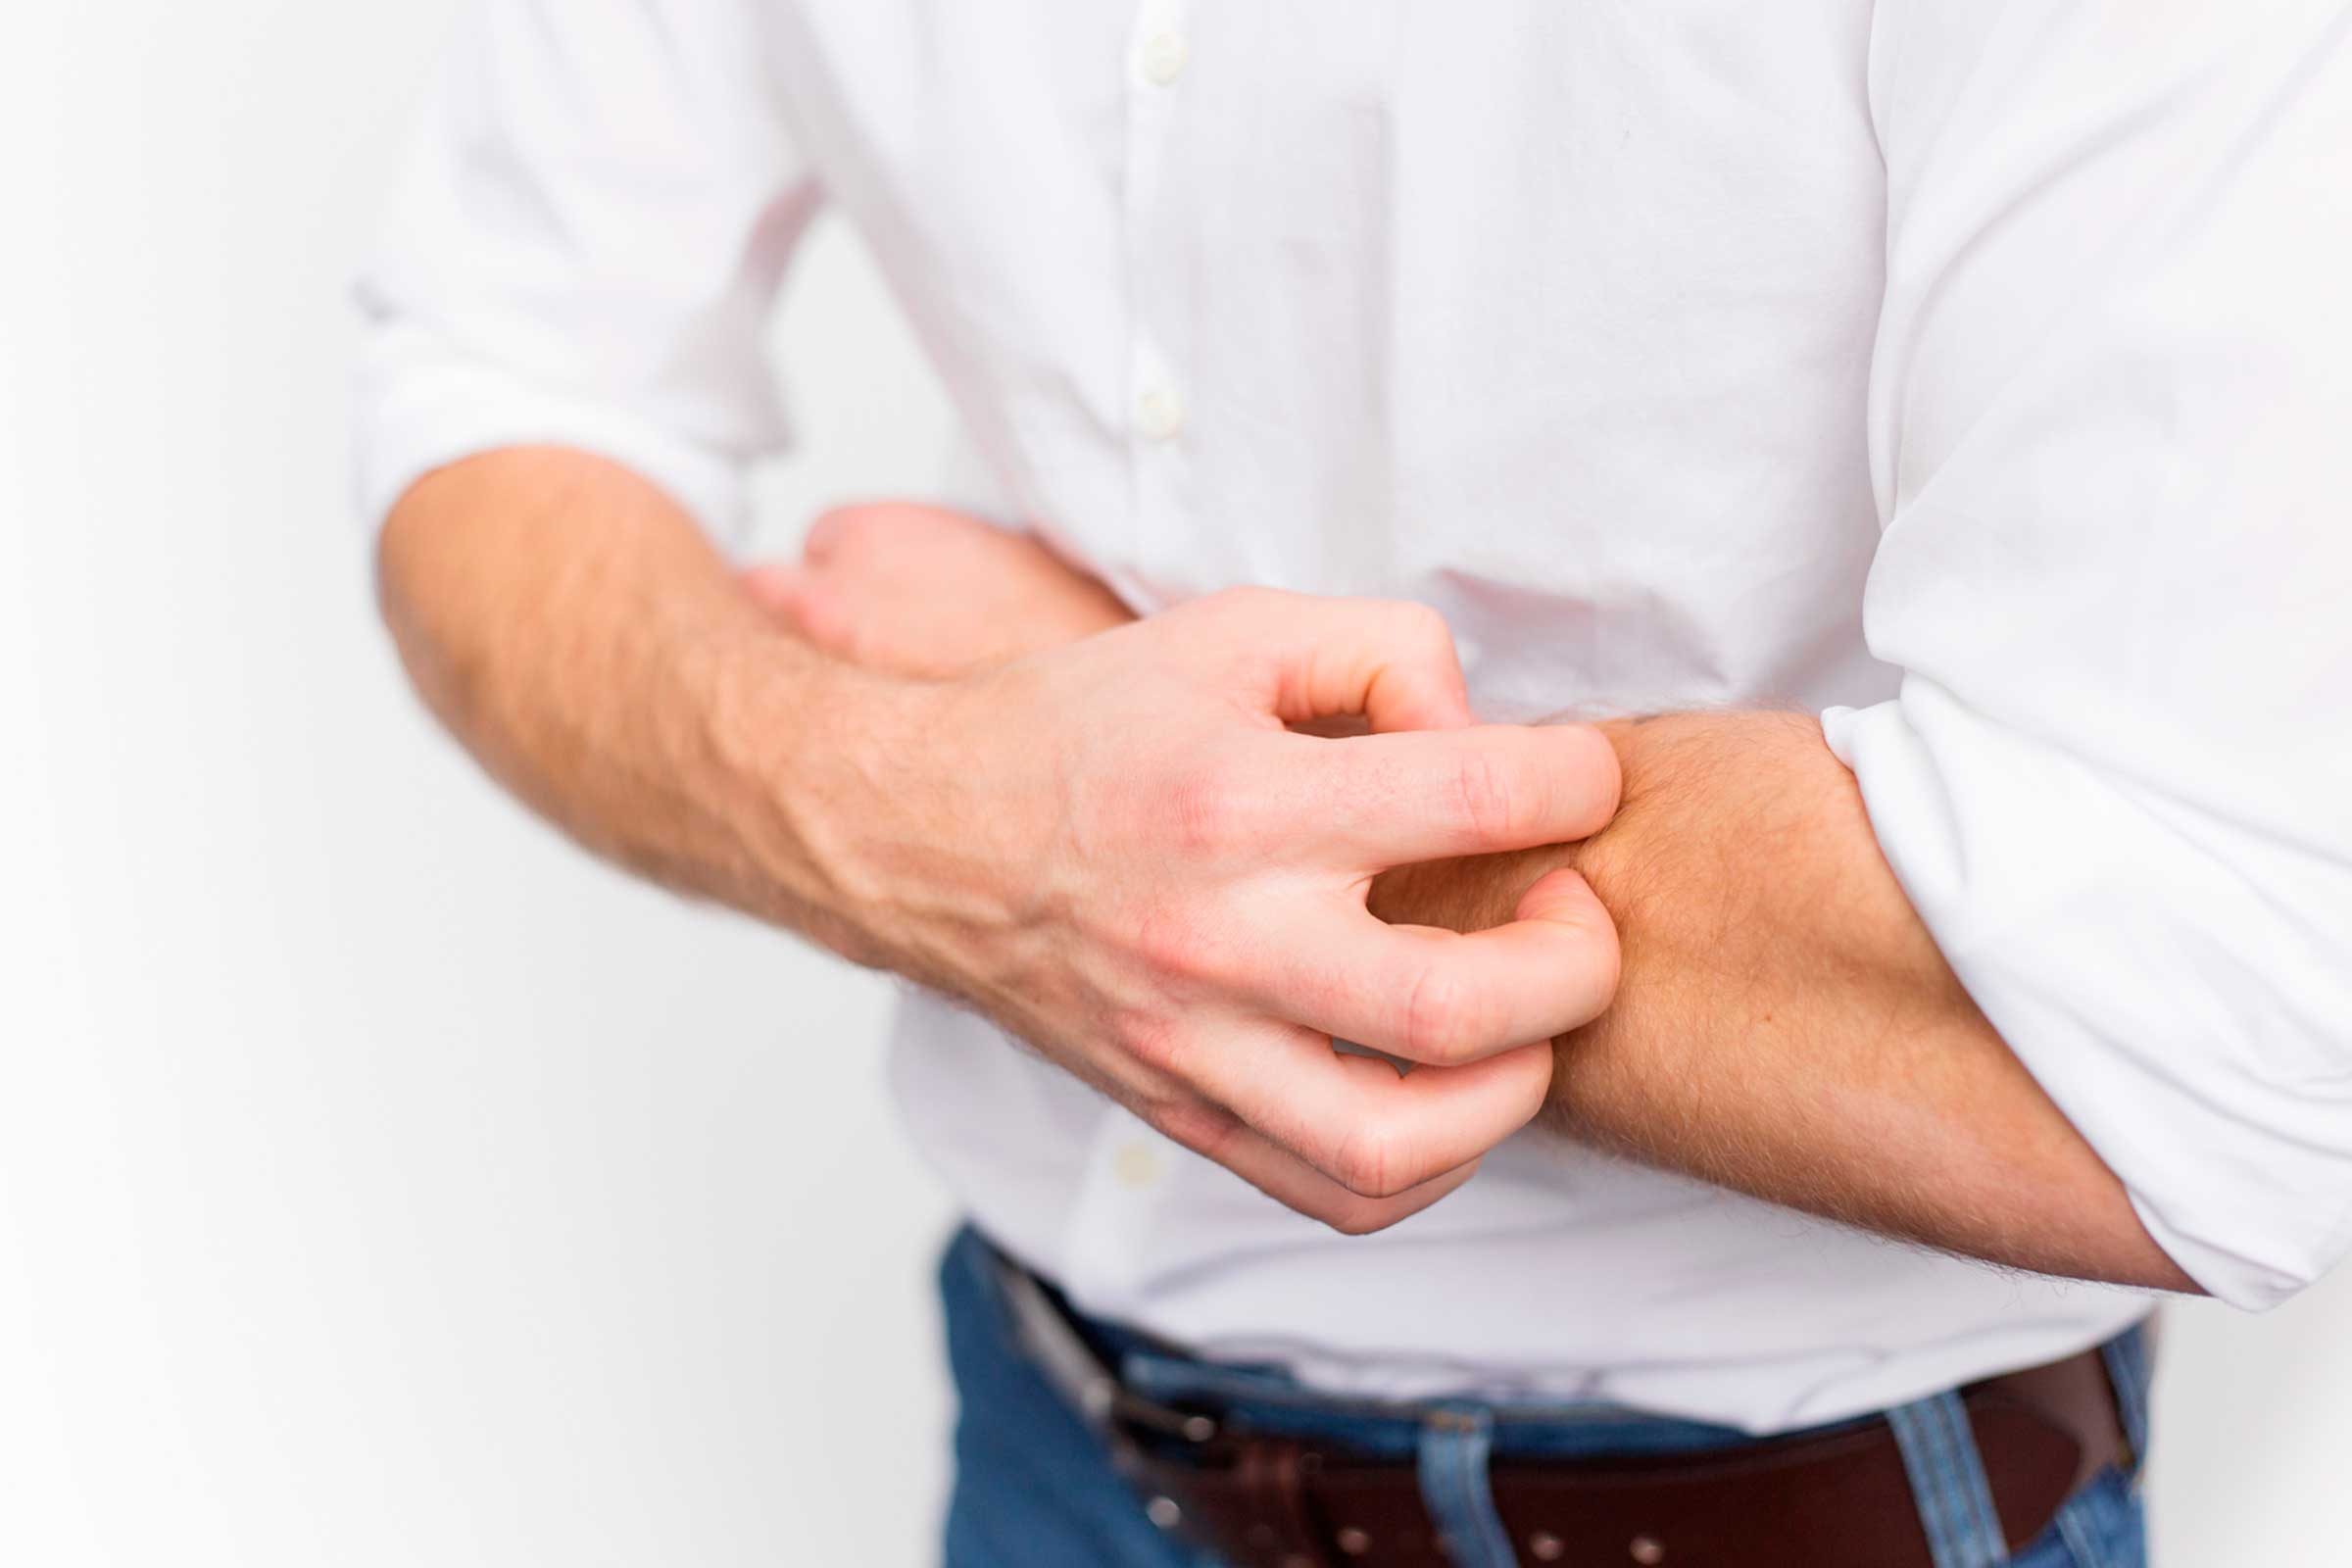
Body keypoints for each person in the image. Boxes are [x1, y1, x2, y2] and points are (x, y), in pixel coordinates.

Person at [354, 4, 2352, 1564]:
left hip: (1819, 1501)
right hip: (1048, 1428)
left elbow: (2226, 1018)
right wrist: (922, 800)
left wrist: (1049, 745)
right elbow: (504, 377)